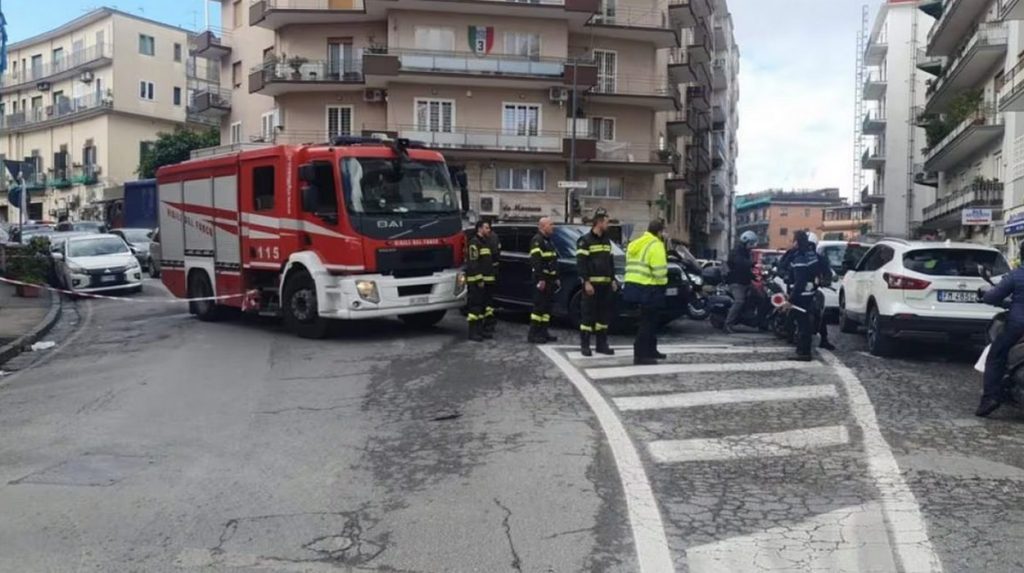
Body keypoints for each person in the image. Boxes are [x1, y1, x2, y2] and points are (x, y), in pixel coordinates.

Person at [978, 259, 1024, 417]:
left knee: (995, 356)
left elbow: (991, 297)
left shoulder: (1017, 275)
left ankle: (990, 398)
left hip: (1018, 326)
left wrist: (1001, 302)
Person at [625, 220, 669, 365]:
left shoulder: (636, 243)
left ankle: (651, 350)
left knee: (649, 321)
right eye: (664, 231)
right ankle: (641, 355)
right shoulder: (656, 245)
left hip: (634, 286)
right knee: (648, 323)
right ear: (659, 232)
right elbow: (659, 270)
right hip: (650, 288)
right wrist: (663, 284)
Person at [577, 208, 617, 357]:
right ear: (599, 222)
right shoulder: (585, 241)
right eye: (607, 222)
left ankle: (601, 345)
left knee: (603, 317)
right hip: (591, 286)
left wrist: (612, 280)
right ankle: (585, 345)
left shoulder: (607, 240)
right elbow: (581, 264)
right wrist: (586, 282)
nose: (608, 225)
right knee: (587, 316)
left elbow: (610, 262)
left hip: (605, 286)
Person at [787, 230, 821, 361]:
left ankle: (803, 352)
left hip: (801, 295)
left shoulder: (800, 257)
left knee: (802, 324)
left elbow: (799, 281)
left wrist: (791, 298)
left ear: (797, 241)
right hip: (810, 292)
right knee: (804, 323)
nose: (792, 242)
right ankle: (802, 350)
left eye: (793, 239)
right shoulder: (811, 255)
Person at [528, 217, 559, 344]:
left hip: (550, 280)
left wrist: (556, 277)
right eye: (551, 224)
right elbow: (536, 262)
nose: (553, 227)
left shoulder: (548, 241)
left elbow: (552, 261)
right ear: (543, 226)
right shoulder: (537, 240)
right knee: (539, 308)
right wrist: (541, 279)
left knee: (547, 308)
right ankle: (533, 334)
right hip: (542, 280)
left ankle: (543, 332)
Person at [465, 220, 496, 342]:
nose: (489, 230)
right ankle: (473, 333)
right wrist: (479, 279)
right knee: (475, 308)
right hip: (477, 282)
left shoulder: (485, 243)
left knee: (482, 308)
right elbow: (473, 263)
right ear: (479, 229)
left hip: (485, 281)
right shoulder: (474, 243)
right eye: (487, 228)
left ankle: (480, 331)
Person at [724, 230, 758, 333]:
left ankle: (759, 321)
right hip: (736, 282)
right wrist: (751, 263)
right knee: (739, 301)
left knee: (759, 296)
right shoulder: (736, 252)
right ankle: (728, 324)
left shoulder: (747, 252)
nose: (752, 246)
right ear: (745, 242)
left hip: (745, 281)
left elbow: (746, 270)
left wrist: (755, 276)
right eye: (751, 244)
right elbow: (740, 264)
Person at [483, 225, 502, 339]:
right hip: (491, 273)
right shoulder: (493, 237)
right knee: (488, 301)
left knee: (486, 301)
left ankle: (487, 324)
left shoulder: (490, 238)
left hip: (487, 274)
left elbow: (494, 254)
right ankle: (489, 323)